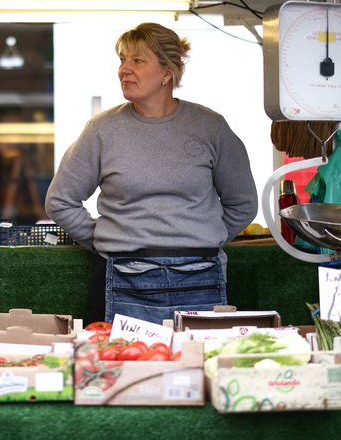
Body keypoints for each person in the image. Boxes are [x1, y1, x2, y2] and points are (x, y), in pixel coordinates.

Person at [45, 22, 258, 325]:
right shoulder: (101, 130)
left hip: (201, 277)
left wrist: (203, 237)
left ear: (167, 73)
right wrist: (108, 239)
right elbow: (61, 200)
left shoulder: (210, 127)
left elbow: (243, 203)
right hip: (123, 276)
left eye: (137, 60)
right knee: (124, 368)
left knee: (199, 365)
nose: (124, 69)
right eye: (122, 60)